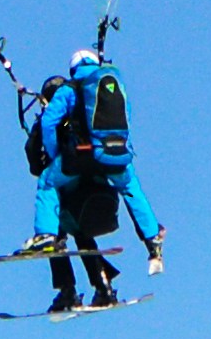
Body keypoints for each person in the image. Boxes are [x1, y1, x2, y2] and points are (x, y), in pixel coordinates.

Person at [14, 21, 157, 312]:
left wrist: (53, 158)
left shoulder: (63, 100)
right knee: (81, 226)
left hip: (71, 174)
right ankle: (108, 281)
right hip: (105, 171)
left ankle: (67, 290)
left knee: (57, 227)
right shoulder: (103, 97)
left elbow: (35, 153)